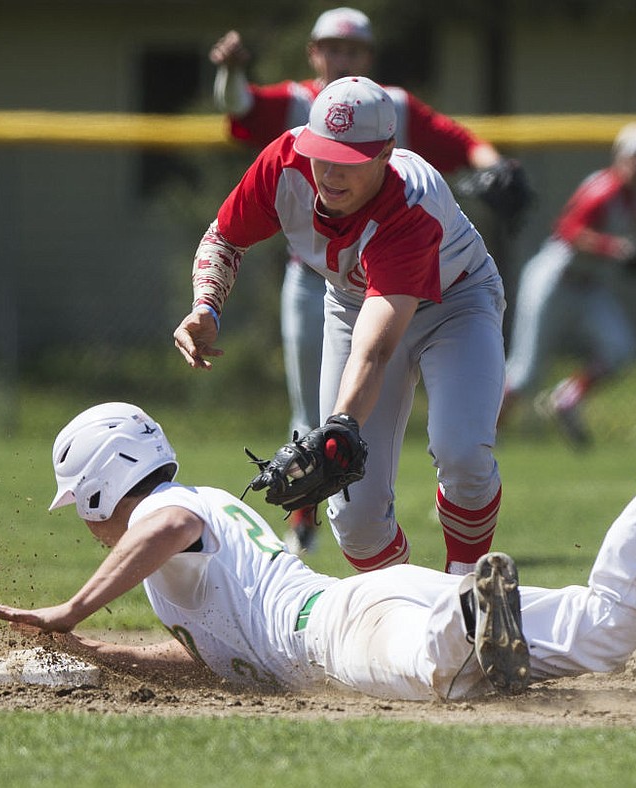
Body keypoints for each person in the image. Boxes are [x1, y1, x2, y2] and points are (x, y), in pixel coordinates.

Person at [0, 391, 636, 701]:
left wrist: (68, 608)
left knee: (435, 674)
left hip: (339, 630)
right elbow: (214, 665)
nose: (85, 525)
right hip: (372, 603)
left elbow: (161, 528)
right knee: (608, 629)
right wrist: (93, 650)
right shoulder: (180, 540)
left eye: (82, 506)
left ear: (103, 485)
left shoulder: (167, 514)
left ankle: (468, 627)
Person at [210, 7, 523, 553]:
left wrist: (341, 428)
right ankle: (404, 615)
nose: (328, 172)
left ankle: (466, 586)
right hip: (342, 293)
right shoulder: (284, 155)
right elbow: (223, 236)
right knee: (353, 520)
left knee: (463, 455)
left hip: (455, 299)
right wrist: (205, 306)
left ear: (384, 153)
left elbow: (376, 350)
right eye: (320, 156)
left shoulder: (411, 199)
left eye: (347, 160)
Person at [501, 122, 636, 448]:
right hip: (555, 280)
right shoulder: (603, 189)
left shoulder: (633, 195)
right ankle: (487, 431)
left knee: (620, 351)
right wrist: (616, 247)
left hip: (588, 286)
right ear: (621, 158)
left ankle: (568, 398)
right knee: (526, 373)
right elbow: (568, 231)